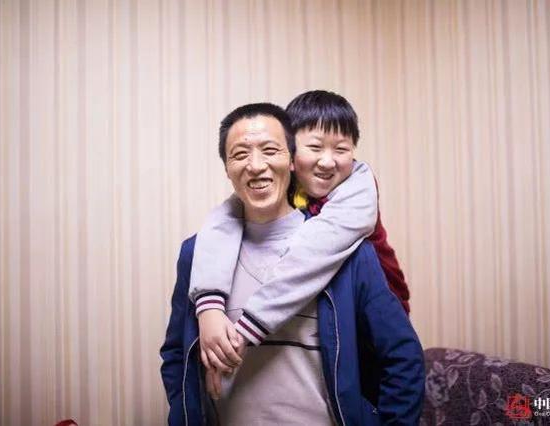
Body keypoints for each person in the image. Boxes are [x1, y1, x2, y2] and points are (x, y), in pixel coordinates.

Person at [160, 103, 425, 425]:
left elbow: (402, 358)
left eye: (270, 151)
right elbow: (176, 356)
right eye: (240, 155)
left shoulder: (348, 252)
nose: (256, 165)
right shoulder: (198, 254)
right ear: (227, 168)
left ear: (291, 160)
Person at [191, 91, 411, 375]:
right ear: (291, 153)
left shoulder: (358, 189)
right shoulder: (283, 188)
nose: (328, 161)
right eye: (315, 147)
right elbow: (225, 218)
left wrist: (243, 332)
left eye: (341, 149)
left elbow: (310, 255)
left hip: (375, 314)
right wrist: (209, 305)